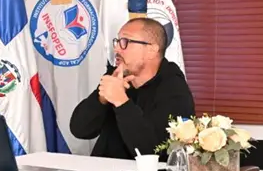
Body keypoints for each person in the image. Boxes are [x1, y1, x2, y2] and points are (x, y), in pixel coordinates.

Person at [69, 17, 195, 159]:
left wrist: (121, 102)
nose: (117, 48)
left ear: (151, 50)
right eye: (117, 41)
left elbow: (156, 153)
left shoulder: (174, 90)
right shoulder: (117, 75)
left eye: (125, 42)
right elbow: (79, 130)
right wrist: (101, 98)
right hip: (103, 167)